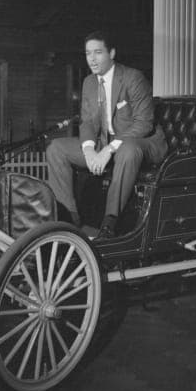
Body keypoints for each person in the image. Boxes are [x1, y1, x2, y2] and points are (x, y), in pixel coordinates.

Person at [46, 30, 167, 239]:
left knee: (127, 150)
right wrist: (90, 150)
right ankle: (68, 219)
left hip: (143, 143)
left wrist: (108, 150)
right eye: (88, 53)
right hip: (106, 144)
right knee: (56, 148)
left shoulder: (133, 78)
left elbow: (144, 123)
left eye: (98, 52)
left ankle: (109, 223)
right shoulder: (89, 83)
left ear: (111, 53)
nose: (91, 59)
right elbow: (88, 122)